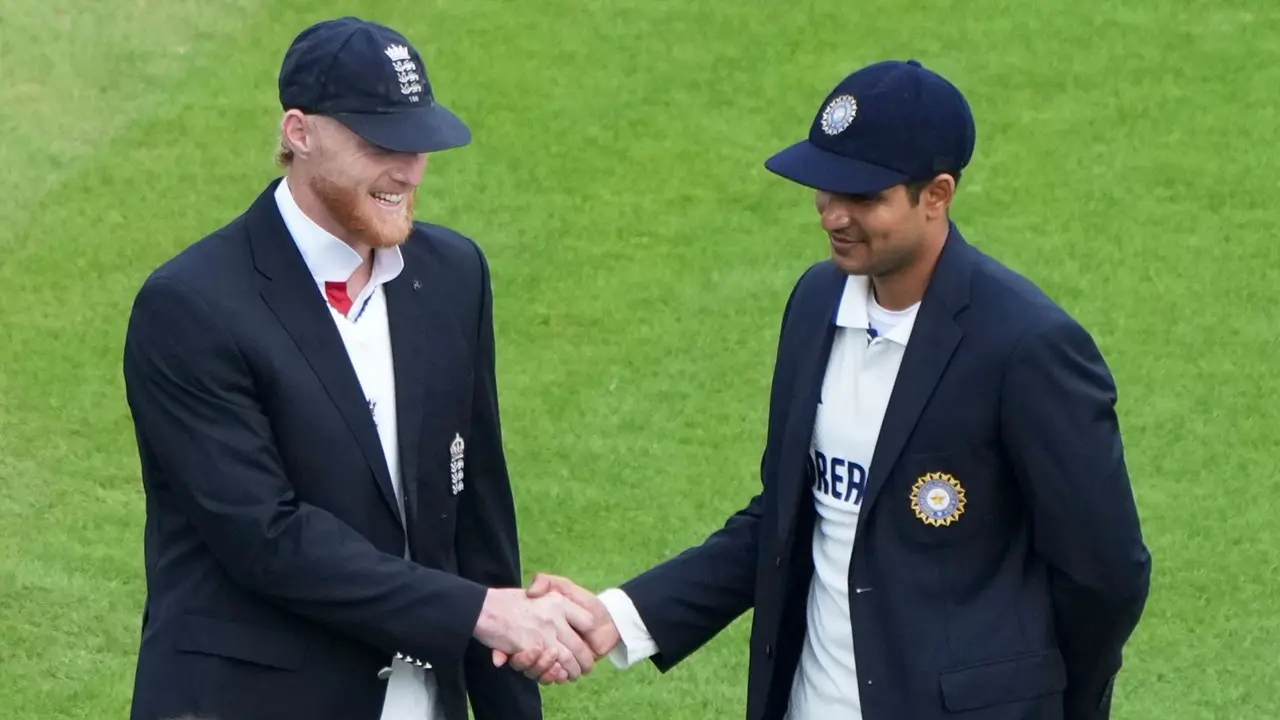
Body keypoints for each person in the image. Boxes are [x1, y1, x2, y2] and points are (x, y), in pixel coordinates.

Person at [501, 59, 1153, 719]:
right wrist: (619, 617)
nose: (833, 216)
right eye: (825, 188)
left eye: (864, 197)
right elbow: (782, 519)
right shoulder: (817, 303)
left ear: (936, 195)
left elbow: (1106, 574)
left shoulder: (1026, 345)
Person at [122, 16, 593, 720]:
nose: (408, 170)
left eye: (419, 143)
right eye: (380, 144)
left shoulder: (452, 275)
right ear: (300, 133)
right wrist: (479, 613)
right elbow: (265, 536)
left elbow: (476, 519)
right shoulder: (191, 306)